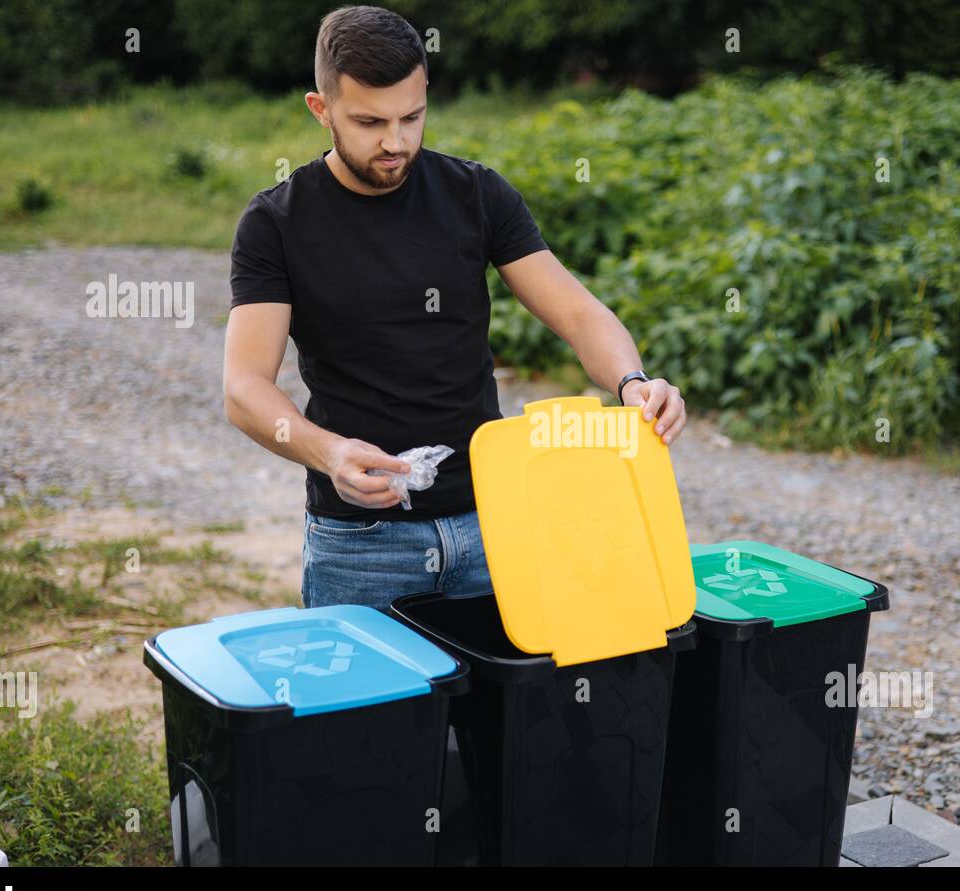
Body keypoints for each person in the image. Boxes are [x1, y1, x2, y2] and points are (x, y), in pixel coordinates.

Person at [224, 4, 687, 613]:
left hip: (493, 524)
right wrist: (328, 452)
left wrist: (633, 381)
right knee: (372, 712)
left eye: (411, 117)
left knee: (505, 711)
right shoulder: (276, 222)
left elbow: (577, 313)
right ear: (321, 109)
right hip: (360, 542)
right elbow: (244, 387)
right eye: (369, 122)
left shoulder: (476, 193)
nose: (395, 142)